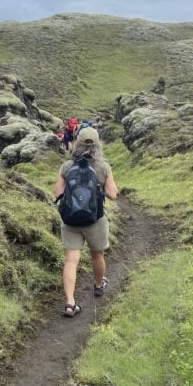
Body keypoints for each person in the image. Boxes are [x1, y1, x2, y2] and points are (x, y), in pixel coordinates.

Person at [53, 127, 118, 317]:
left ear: (77, 142)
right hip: (95, 220)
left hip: (70, 220)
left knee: (71, 260)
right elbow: (113, 195)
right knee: (97, 255)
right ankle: (98, 285)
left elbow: (57, 192)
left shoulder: (66, 166)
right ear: (98, 144)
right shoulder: (103, 167)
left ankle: (70, 303)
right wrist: (99, 190)